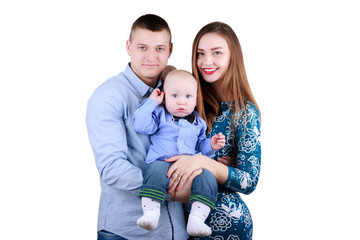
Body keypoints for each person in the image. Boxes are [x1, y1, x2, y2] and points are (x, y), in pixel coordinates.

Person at [86, 14, 190, 240]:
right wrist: (178, 189)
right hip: (127, 233)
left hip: (178, 232)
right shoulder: (108, 96)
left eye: (160, 49)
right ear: (129, 47)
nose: (151, 57)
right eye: (142, 47)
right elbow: (112, 168)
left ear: (170, 50)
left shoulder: (178, 92)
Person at [166, 22, 261, 240]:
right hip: (184, 227)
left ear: (232, 56)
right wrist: (217, 169)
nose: (206, 61)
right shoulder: (189, 103)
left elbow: (248, 180)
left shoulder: (244, 111)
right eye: (200, 54)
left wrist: (203, 162)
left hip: (228, 225)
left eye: (217, 53)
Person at [133, 70, 225, 237]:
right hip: (162, 162)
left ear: (196, 99)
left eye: (188, 97)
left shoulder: (199, 123)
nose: (181, 102)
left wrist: (211, 145)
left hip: (190, 168)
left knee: (208, 178)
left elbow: (203, 150)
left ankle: (197, 219)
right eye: (175, 96)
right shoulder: (160, 115)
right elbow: (140, 125)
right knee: (154, 172)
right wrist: (152, 102)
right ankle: (151, 213)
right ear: (164, 97)